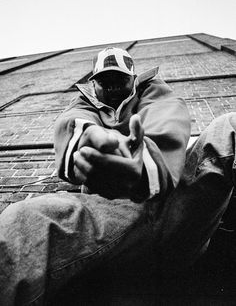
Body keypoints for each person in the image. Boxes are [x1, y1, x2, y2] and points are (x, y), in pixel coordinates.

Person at [0, 47, 235, 306]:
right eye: (104, 81)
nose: (112, 88)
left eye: (119, 80)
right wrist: (88, 150)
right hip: (112, 218)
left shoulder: (154, 91)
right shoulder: (83, 103)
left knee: (230, 125)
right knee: (22, 220)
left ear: (134, 79)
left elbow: (166, 117)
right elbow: (74, 123)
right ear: (93, 84)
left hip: (176, 206)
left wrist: (143, 166)